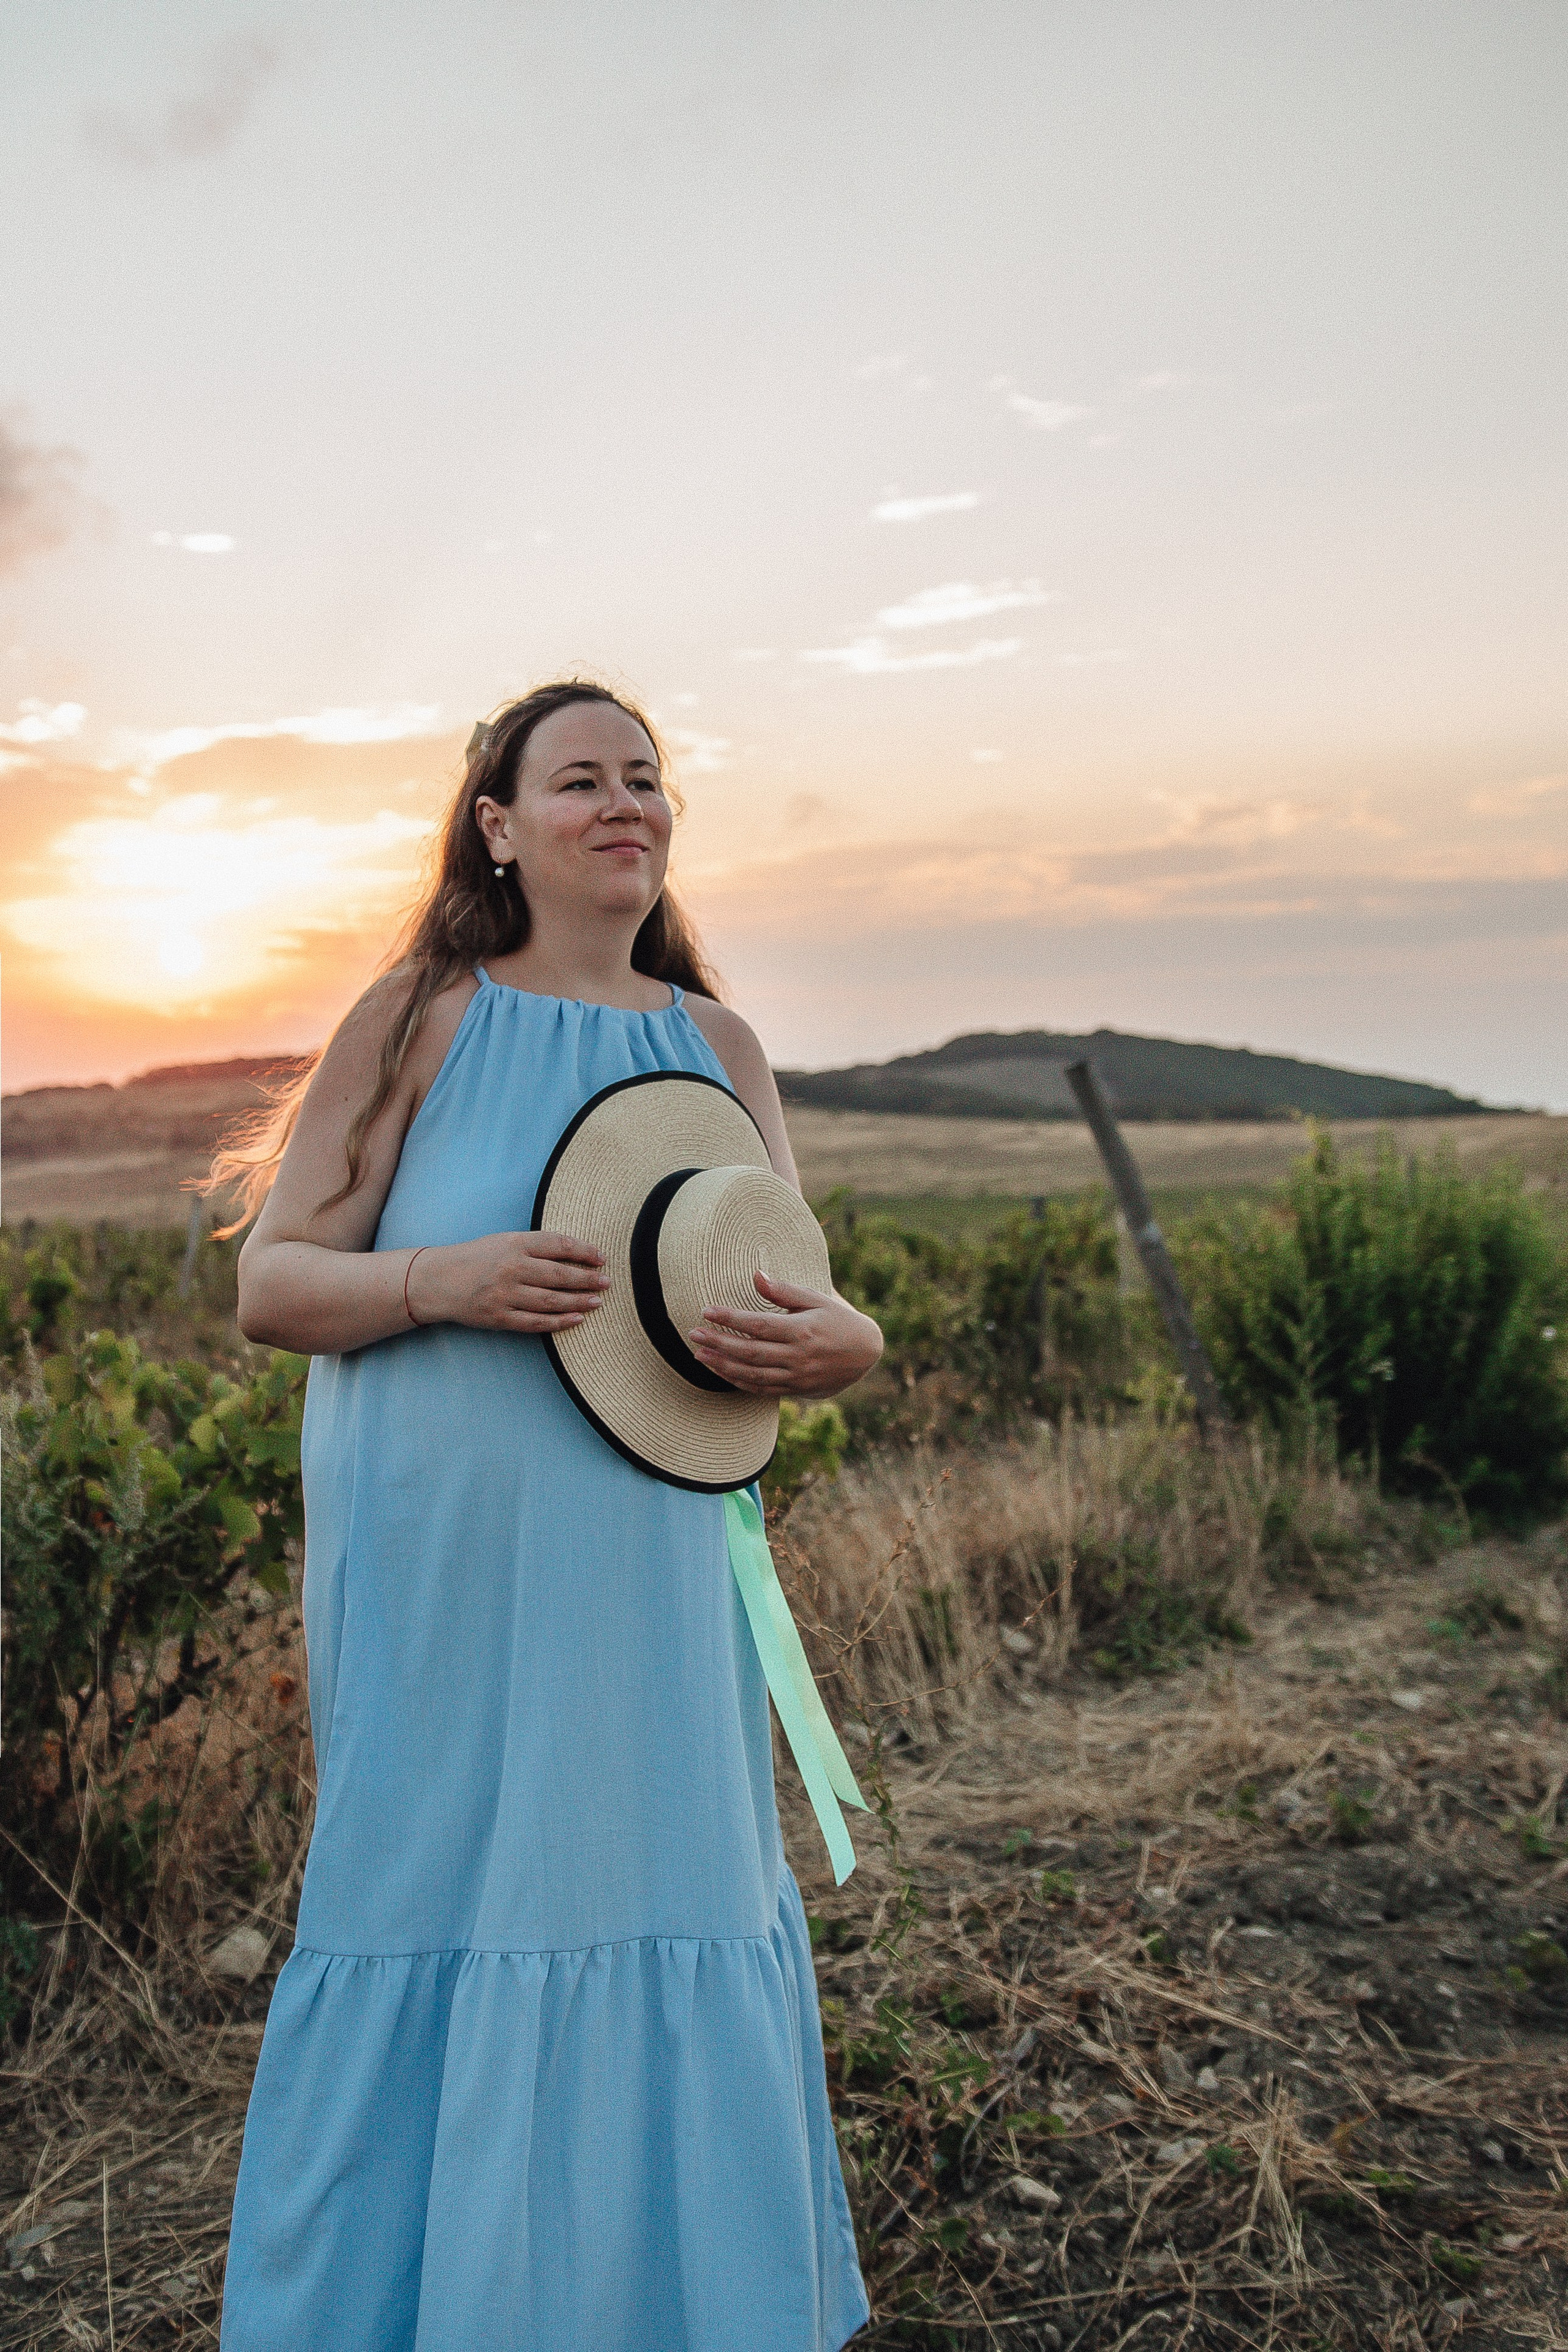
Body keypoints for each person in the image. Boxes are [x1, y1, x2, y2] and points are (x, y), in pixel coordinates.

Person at [215, 679, 883, 2352]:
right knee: (440, 1888)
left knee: (658, 1875)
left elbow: (789, 1292)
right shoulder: (424, 1014)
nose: (624, 805)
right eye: (578, 780)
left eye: (645, 779)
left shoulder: (715, 1048)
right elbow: (273, 1285)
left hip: (653, 1561)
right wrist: (447, 1279)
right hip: (447, 1571)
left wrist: (851, 1344)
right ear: (498, 827)